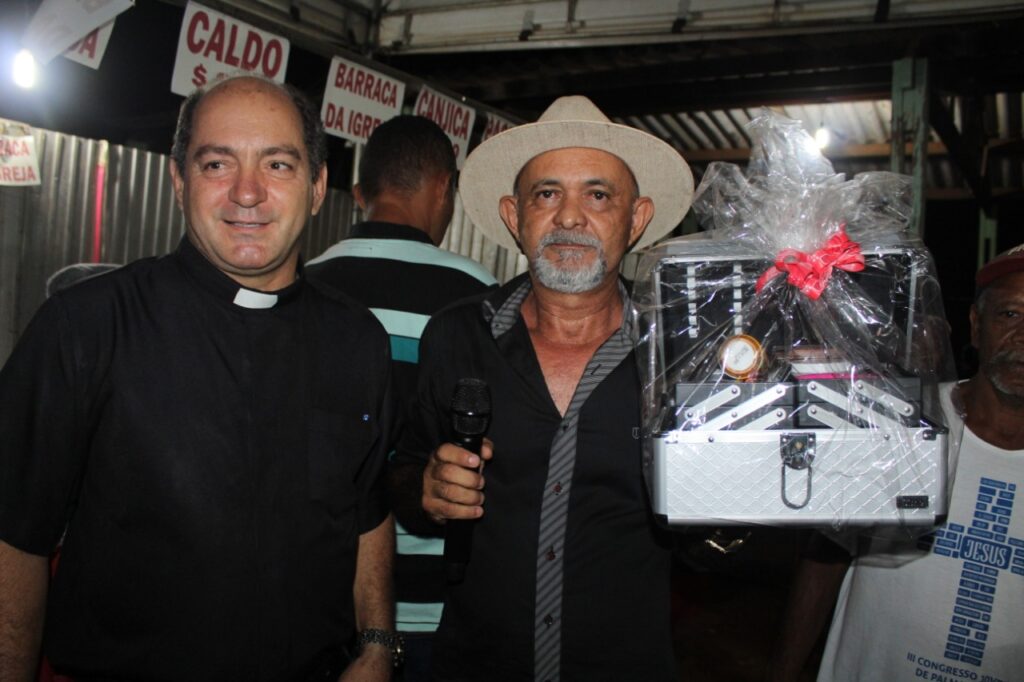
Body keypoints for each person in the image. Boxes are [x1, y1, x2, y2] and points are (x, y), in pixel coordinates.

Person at [0, 75, 400, 682]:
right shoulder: (85, 328)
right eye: (217, 164)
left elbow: (367, 512)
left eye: (278, 165)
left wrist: (376, 646)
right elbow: (14, 537)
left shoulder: (358, 340)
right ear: (179, 181)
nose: (247, 192)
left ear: (318, 187)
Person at [391, 95, 695, 681]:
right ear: (515, 216)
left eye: (598, 195)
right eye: (547, 194)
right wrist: (425, 487)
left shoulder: (680, 352)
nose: (570, 218)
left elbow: (714, 544)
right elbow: (404, 474)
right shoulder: (457, 335)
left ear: (636, 219)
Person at [772, 243, 1024, 682]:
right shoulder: (905, 421)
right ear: (976, 324)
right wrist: (785, 671)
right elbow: (828, 552)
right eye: (1010, 314)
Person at [306, 115, 496, 681]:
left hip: (330, 598)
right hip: (441, 602)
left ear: (358, 192)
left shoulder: (303, 287)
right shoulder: (477, 298)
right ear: (443, 187)